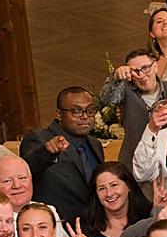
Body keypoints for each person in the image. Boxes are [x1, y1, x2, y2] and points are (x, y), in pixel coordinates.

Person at [19, 87, 106, 227]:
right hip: (58, 228)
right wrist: (47, 152)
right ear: (59, 114)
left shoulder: (95, 145)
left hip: (95, 226)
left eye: (89, 110)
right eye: (76, 111)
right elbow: (26, 168)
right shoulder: (39, 139)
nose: (84, 116)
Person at [84, 162, 151, 237]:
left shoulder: (148, 218)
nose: (109, 193)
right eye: (102, 189)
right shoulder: (88, 229)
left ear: (129, 186)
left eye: (114, 185)